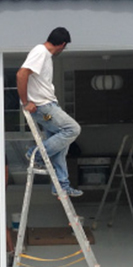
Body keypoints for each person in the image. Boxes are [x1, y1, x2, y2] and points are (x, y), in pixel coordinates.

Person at [17, 27, 83, 197]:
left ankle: (61, 186)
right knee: (72, 129)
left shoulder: (44, 55)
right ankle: (36, 154)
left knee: (61, 146)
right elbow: (21, 74)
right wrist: (26, 102)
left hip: (47, 105)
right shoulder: (40, 51)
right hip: (44, 107)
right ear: (62, 44)